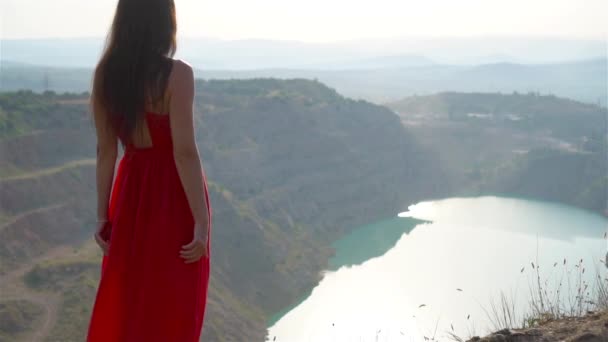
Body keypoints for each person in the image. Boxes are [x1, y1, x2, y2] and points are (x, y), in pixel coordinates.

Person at [86, 0, 212, 340]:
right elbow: (184, 152)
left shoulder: (105, 75)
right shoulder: (177, 75)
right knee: (173, 303)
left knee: (132, 298)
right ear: (165, 21)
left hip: (129, 197)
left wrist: (102, 216)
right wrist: (201, 221)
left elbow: (106, 151)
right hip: (173, 198)